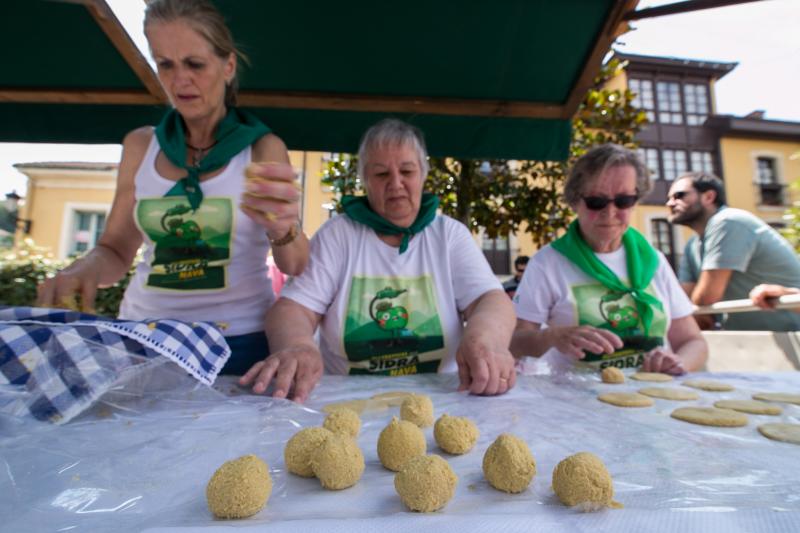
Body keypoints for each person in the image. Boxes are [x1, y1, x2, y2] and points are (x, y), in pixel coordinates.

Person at [36, 0, 309, 375]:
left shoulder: (261, 147)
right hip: (142, 337)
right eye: (165, 64)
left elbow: (295, 264)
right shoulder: (140, 146)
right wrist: (83, 270)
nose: (180, 80)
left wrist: (283, 229)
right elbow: (115, 250)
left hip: (238, 343)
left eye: (194, 64)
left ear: (228, 66)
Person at [239, 119, 517, 402]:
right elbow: (293, 309)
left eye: (407, 171)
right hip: (348, 402)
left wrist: (486, 338)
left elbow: (491, 300)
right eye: (381, 173)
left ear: (423, 174)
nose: (396, 183)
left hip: (441, 397)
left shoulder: (449, 235)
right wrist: (298, 345)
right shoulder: (339, 235)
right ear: (365, 181)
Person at [511, 144, 707, 375]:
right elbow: (514, 342)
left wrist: (677, 362)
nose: (610, 212)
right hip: (577, 403)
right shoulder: (548, 263)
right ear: (575, 202)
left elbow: (693, 342)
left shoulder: (653, 260)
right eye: (596, 201)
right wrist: (552, 336)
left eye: (623, 201)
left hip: (652, 399)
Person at [667, 172, 800, 331]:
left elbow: (705, 299)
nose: (670, 203)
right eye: (669, 198)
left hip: (792, 337)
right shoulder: (692, 245)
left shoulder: (728, 221)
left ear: (709, 197)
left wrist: (693, 311)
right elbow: (684, 303)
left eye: (679, 195)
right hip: (754, 343)